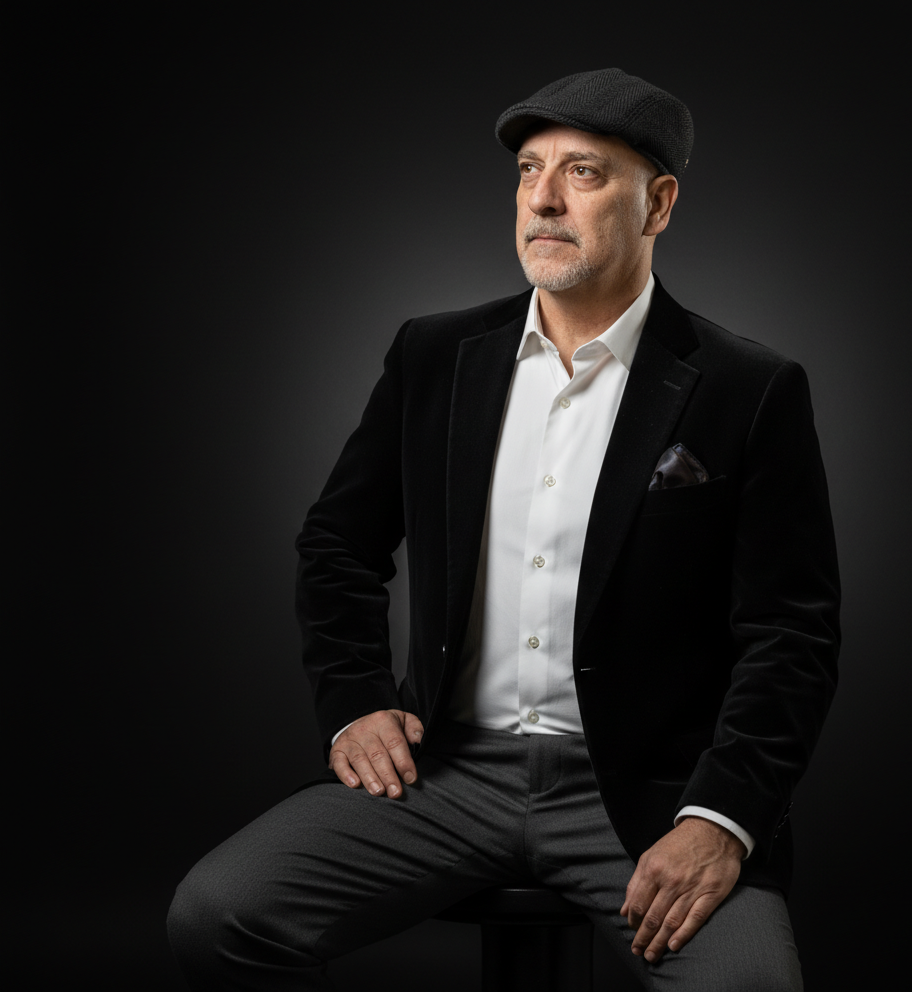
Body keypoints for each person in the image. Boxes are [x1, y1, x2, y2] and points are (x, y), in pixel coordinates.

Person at [168, 68, 840, 991]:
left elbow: (791, 634)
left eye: (584, 172)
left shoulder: (749, 388)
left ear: (658, 204)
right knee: (217, 915)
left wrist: (719, 819)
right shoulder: (435, 355)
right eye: (529, 170)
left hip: (651, 794)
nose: (544, 199)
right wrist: (357, 701)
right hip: (446, 776)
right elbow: (337, 545)